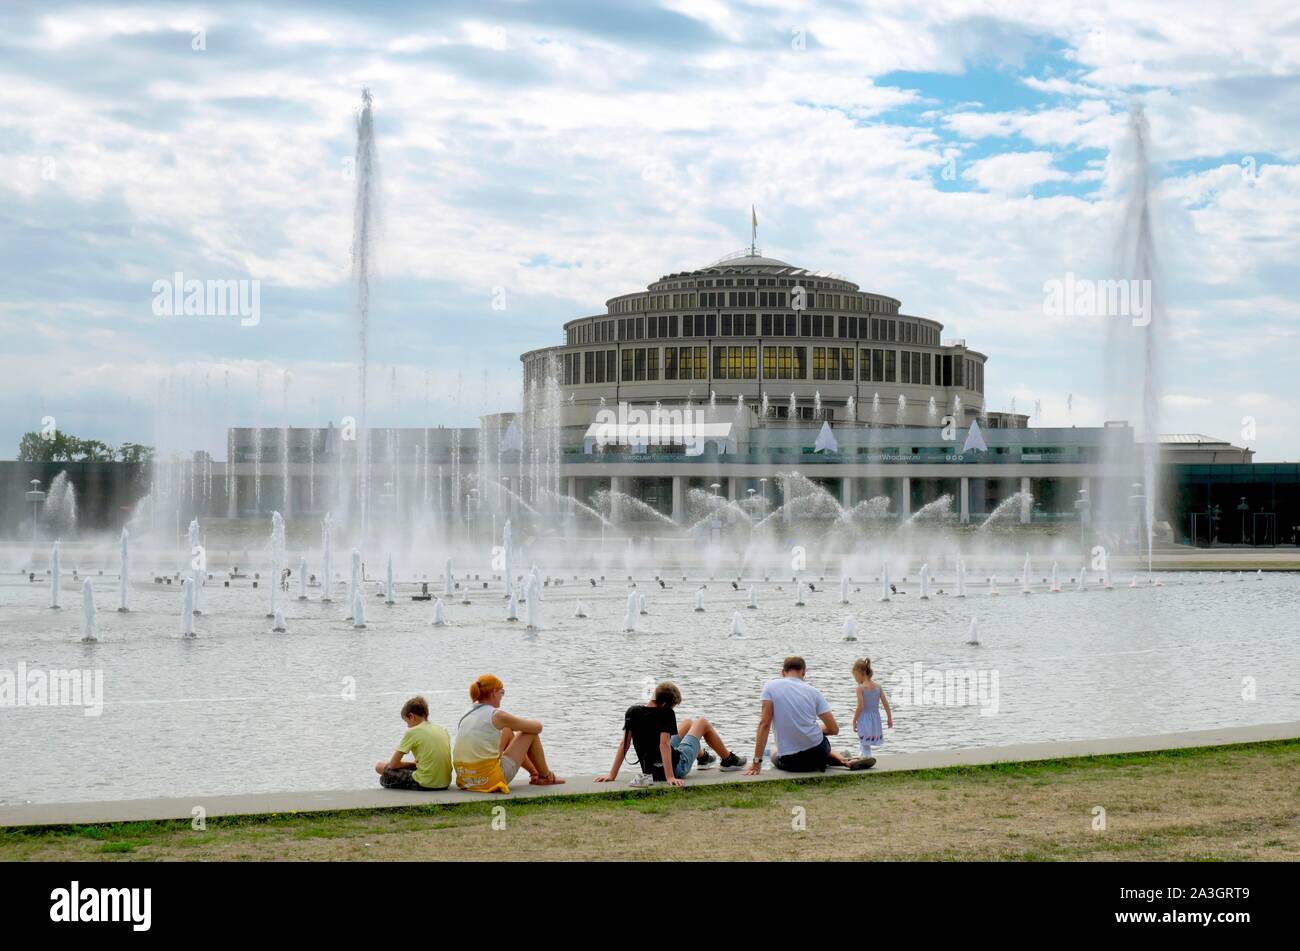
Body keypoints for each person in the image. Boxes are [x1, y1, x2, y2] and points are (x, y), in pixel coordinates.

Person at [596, 681, 746, 786]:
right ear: (666, 705)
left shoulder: (632, 712)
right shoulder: (665, 713)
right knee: (701, 722)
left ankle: (703, 757)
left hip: (650, 769)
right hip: (677, 766)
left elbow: (625, 744)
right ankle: (728, 760)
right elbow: (664, 744)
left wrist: (612, 775)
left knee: (687, 723)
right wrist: (670, 777)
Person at [743, 656, 870, 774]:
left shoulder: (770, 686)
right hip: (819, 754)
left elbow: (764, 724)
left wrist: (756, 763)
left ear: (783, 672)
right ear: (804, 672)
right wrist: (814, 729)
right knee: (816, 741)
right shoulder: (814, 692)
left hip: (791, 761)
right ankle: (845, 761)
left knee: (773, 749)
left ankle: (843, 760)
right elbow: (834, 729)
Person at [452, 674, 564, 793]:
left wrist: (511, 726)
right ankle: (546, 776)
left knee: (506, 730)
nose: (502, 696)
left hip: (465, 778)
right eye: (502, 692)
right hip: (487, 780)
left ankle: (533, 772)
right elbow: (537, 728)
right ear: (494, 692)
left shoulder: (466, 713)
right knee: (530, 733)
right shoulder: (497, 715)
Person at [374, 695, 452, 790]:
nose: (408, 726)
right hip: (445, 783)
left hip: (425, 783)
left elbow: (393, 764)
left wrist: (409, 764)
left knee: (380, 767)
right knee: (388, 770)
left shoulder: (412, 732)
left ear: (411, 716)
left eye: (407, 722)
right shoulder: (442, 729)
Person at [851, 658, 892, 764]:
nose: (856, 679)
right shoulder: (878, 687)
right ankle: (862, 756)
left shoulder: (860, 688)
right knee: (864, 742)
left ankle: (866, 758)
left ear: (860, 673)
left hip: (864, 718)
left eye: (855, 676)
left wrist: (854, 720)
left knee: (864, 741)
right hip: (875, 718)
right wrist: (889, 718)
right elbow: (886, 704)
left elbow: (860, 706)